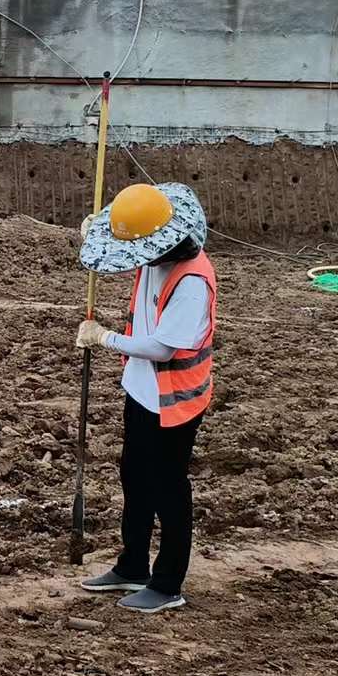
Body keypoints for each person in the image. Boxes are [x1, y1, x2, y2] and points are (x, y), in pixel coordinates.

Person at [74, 183, 216, 614]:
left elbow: (162, 347)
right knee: (134, 477)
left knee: (168, 488)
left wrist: (105, 337)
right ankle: (132, 563)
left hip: (173, 401)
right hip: (142, 391)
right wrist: (96, 235)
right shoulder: (159, 250)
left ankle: (168, 582)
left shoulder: (191, 281)